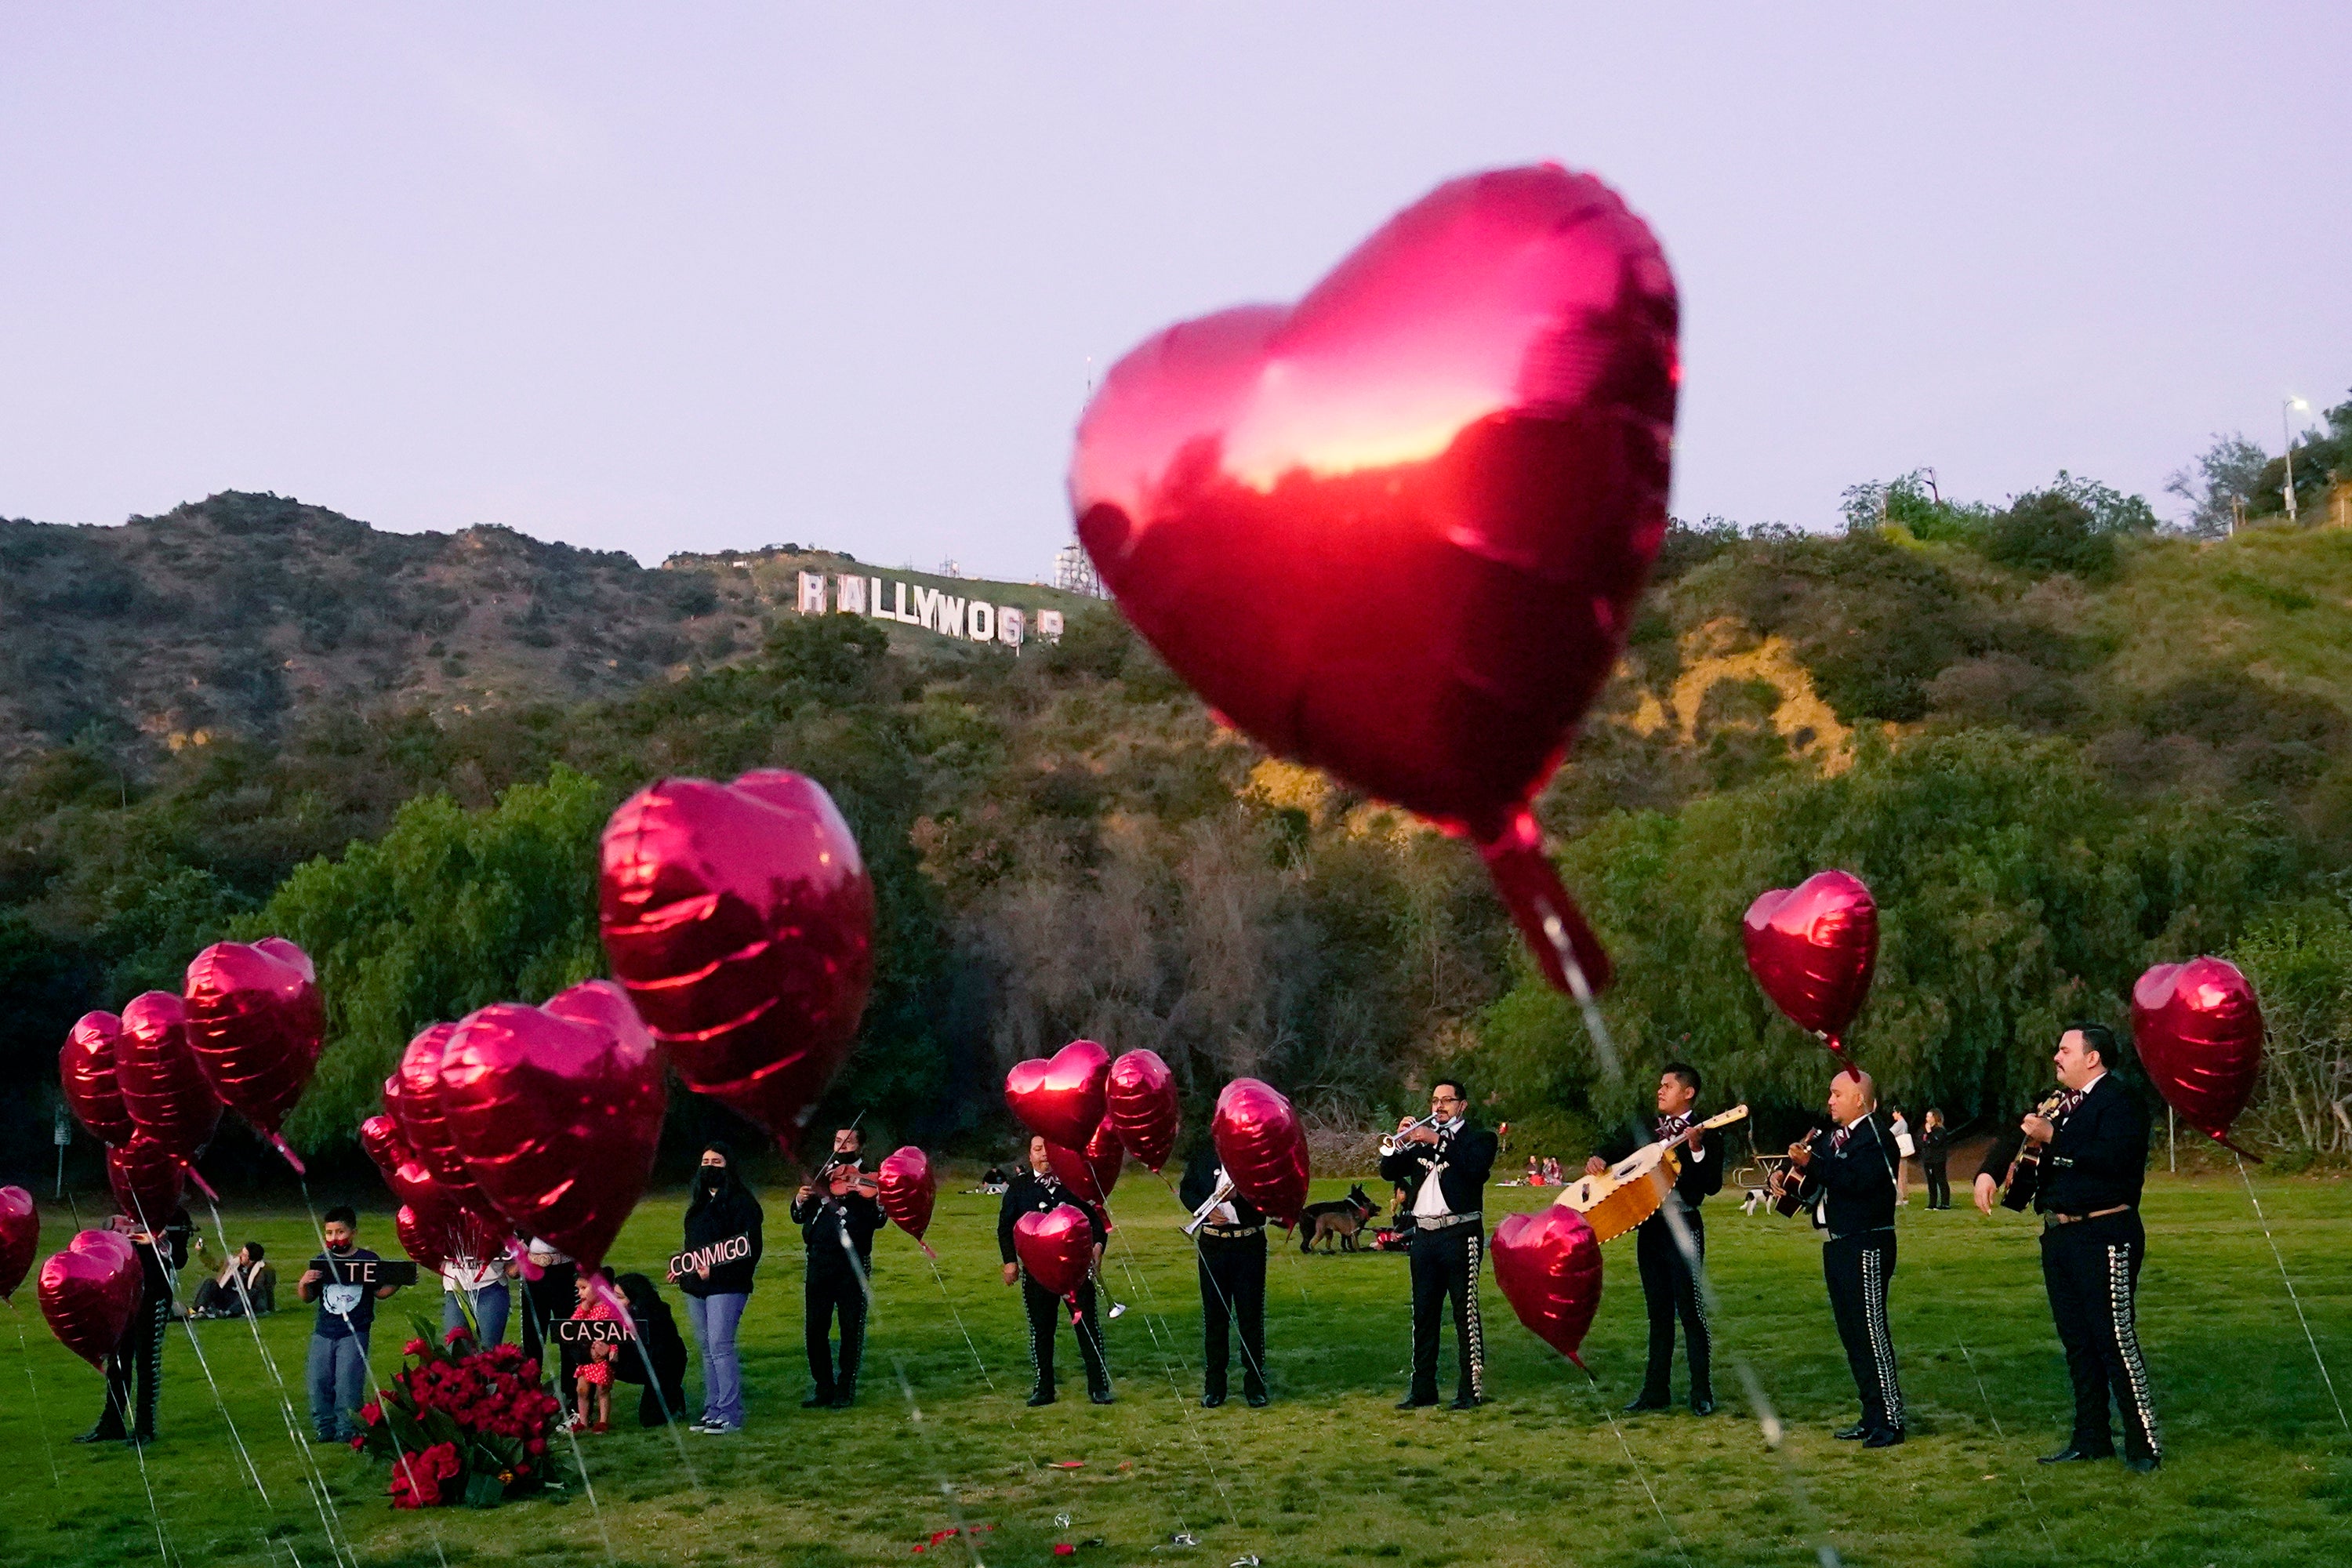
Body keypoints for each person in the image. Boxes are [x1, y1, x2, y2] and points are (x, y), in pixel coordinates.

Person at [1973, 1024, 2160, 1472]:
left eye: (2064, 1050)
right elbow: (2015, 1132)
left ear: (2092, 1058)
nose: (2056, 1057)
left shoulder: (2121, 1101)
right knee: (2077, 1342)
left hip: (2106, 1232)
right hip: (2060, 1235)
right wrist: (1990, 1172)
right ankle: (2091, 1437)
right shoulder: (2057, 1102)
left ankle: (2143, 1444)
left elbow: (2113, 1156)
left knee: (2115, 1339)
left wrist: (2055, 1137)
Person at [1588, 1064, 1723, 1416]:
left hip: (1685, 1226)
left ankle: (1701, 1392)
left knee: (1691, 1311)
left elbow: (1710, 1185)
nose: (1660, 1091)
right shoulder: (1647, 1128)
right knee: (1658, 1312)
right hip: (1651, 1229)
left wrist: (1696, 1150)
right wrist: (1600, 1156)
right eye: (1659, 1085)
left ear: (1688, 1092)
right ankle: (1655, 1389)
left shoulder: (1708, 1130)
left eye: (1667, 1086)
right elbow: (1614, 1144)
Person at [1787, 1071, 1904, 1447]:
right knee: (1852, 1333)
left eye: (1837, 1094)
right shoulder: (1832, 1138)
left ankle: (1891, 1417)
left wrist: (1814, 1164)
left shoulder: (1877, 1138)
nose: (1830, 1101)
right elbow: (1818, 1181)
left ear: (1859, 1099)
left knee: (1871, 1330)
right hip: (1836, 1244)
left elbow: (1856, 1181)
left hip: (1866, 1242)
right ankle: (1871, 1414)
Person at [1378, 1079, 1497, 1410]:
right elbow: (1389, 1171)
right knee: (1424, 1314)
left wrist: (1438, 1139)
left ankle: (1469, 1390)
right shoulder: (1420, 1142)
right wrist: (1399, 1141)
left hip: (1461, 1234)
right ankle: (1423, 1389)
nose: (1439, 1106)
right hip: (1425, 1236)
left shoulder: (1480, 1139)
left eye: (1447, 1100)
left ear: (1462, 1106)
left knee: (1465, 1313)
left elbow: (1474, 1168)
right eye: (1434, 1100)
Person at [998, 1134, 1112, 1406]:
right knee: (1042, 1330)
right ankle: (1044, 1388)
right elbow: (1005, 1227)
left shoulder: (1074, 1181)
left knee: (1088, 1327)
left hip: (1076, 1272)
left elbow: (1098, 1220)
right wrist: (1010, 1261)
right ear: (1030, 1155)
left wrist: (1098, 1247)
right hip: (1038, 1274)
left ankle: (1098, 1387)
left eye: (1048, 1149)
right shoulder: (1019, 1187)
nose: (1044, 1154)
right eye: (1038, 1149)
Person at [78, 1205, 191, 1445]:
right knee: (117, 1361)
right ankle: (112, 1423)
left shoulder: (174, 1214)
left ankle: (144, 1428)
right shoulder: (125, 1211)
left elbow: (179, 1260)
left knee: (147, 1362)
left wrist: (162, 1242)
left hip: (153, 1294)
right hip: (123, 1295)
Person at [790, 1125, 885, 1409]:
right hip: (820, 1259)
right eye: (837, 1141)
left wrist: (879, 1199)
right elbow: (798, 1216)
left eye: (848, 1142)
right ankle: (823, 1386)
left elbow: (879, 1220)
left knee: (850, 1327)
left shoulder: (871, 1177)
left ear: (860, 1147)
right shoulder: (822, 1175)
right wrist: (800, 1199)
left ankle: (845, 1387)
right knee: (815, 1327)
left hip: (852, 1262)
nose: (842, 1146)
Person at [674, 1140, 763, 1434]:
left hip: (728, 1285)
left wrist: (718, 1268)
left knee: (720, 1345)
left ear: (729, 1167)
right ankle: (713, 1409)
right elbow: (692, 1247)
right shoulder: (698, 1206)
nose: (709, 1167)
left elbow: (750, 1248)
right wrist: (683, 1269)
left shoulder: (743, 1203)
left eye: (717, 1162)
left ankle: (730, 1412)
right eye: (706, 1162)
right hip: (696, 1287)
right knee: (707, 1349)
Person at [298, 1207, 401, 1444]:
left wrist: (399, 1282)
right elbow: (307, 1297)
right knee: (318, 1381)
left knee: (348, 1381)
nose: (335, 1237)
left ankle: (348, 1428)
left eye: (340, 1231)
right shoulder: (322, 1261)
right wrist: (303, 1283)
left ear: (353, 1232)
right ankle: (324, 1426)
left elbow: (381, 1292)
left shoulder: (368, 1260)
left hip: (355, 1333)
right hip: (323, 1331)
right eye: (329, 1233)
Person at [1179, 1131, 1268, 1408]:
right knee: (1215, 1318)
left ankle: (1255, 1385)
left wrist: (1240, 1196)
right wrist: (1203, 1211)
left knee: (1250, 1318)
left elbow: (1268, 1200)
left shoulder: (1255, 1156)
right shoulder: (1205, 1154)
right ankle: (1214, 1386)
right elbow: (1188, 1189)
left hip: (1248, 1244)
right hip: (1213, 1245)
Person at [611, 1272, 691, 1427]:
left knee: (651, 1419)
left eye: (620, 1298)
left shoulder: (656, 1317)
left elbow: (659, 1356)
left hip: (663, 1365)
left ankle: (673, 1397)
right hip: (638, 1362)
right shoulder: (614, 1316)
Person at [568, 1267, 625, 1434]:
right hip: (587, 1358)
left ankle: (603, 1420)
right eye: (578, 1289)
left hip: (602, 1357)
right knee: (582, 1389)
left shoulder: (609, 1309)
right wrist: (584, 1309)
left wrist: (612, 1349)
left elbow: (615, 1332)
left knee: (602, 1388)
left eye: (584, 1288)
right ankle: (583, 1420)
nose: (580, 1294)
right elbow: (572, 1327)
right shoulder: (584, 1309)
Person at [517, 1236, 577, 1384]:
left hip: (564, 1269)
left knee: (568, 1333)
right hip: (534, 1268)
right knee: (532, 1334)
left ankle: (570, 1393)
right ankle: (530, 1393)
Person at [441, 1249, 510, 1348]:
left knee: (488, 1352)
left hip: (490, 1287)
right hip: (454, 1290)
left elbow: (512, 1269)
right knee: (455, 1350)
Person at [190, 1240, 274, 1319]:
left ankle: (228, 1313)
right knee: (210, 1282)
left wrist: (269, 1308)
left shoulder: (265, 1270)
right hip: (225, 1295)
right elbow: (214, 1264)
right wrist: (202, 1252)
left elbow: (268, 1290)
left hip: (242, 1300)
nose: (240, 1255)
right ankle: (200, 1310)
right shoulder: (233, 1262)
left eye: (244, 1255)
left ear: (251, 1260)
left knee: (254, 1291)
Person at [1919, 1110, 1952, 1210]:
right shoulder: (1926, 1130)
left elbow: (1935, 1143)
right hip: (1928, 1159)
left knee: (1941, 1180)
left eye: (1929, 1116)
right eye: (1927, 1116)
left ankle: (1945, 1203)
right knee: (1931, 1182)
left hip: (1938, 1160)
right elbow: (1924, 1143)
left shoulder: (1940, 1131)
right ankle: (1932, 1203)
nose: (1927, 1119)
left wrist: (1929, 1133)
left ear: (1935, 1118)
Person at [1887, 1106, 1915, 1206]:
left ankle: (1902, 1198)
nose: (1893, 1114)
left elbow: (1889, 1133)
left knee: (1901, 1175)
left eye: (1894, 1112)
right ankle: (1903, 1197)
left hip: (1900, 1152)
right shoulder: (1904, 1124)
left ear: (1899, 1113)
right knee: (1902, 1175)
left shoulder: (1900, 1124)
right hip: (1902, 1152)